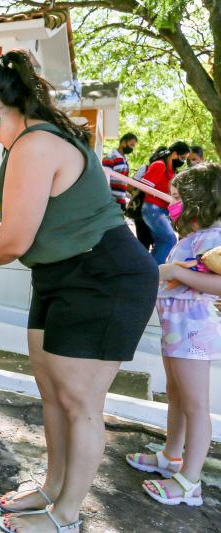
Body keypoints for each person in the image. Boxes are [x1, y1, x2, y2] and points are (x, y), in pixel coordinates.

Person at [0, 49, 158, 533]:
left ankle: (65, 515)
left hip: (104, 276)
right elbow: (32, 217)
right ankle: (52, 488)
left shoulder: (36, 144)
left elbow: (17, 241)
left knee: (79, 401)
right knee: (52, 392)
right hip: (59, 275)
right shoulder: (22, 144)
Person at [126, 163, 221, 507]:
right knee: (176, 394)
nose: (171, 203)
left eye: (178, 198)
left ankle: (189, 483)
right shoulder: (194, 239)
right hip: (176, 329)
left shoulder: (216, 239)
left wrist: (173, 271)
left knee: (195, 405)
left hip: (193, 331)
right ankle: (171, 456)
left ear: (199, 201)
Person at [142, 142, 190, 264]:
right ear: (174, 154)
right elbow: (144, 186)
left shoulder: (172, 171)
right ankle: (154, 271)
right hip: (153, 209)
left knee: (162, 242)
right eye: (183, 157)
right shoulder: (159, 165)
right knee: (169, 239)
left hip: (163, 210)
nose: (183, 161)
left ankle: (150, 270)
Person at [128, 146, 167, 252]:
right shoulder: (168, 173)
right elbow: (130, 187)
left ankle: (144, 265)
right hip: (156, 212)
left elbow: (130, 187)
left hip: (143, 211)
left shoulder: (145, 168)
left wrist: (137, 193)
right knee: (157, 244)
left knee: (143, 243)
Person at [102, 132, 138, 210]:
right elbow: (103, 180)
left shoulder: (125, 160)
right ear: (123, 143)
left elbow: (123, 181)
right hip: (110, 202)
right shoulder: (111, 157)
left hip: (121, 201)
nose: (132, 148)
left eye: (133, 146)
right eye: (131, 145)